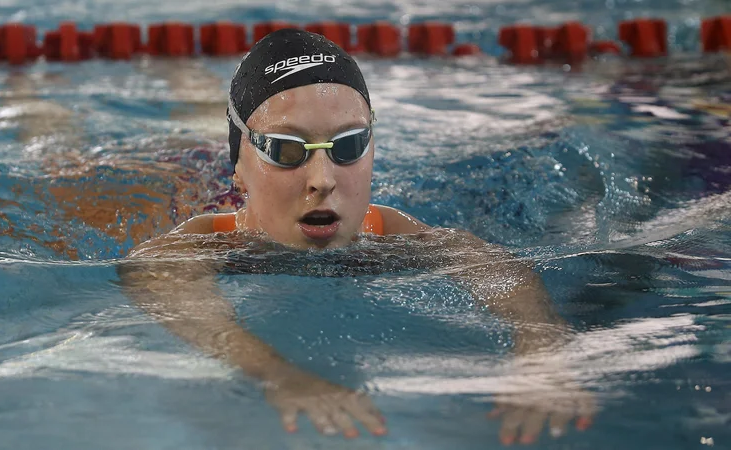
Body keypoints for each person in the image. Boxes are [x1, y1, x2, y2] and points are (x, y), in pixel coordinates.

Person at [120, 28, 595, 445]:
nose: (323, 179)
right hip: (189, 181)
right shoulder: (214, 237)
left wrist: (540, 355)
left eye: (348, 146)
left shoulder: (383, 229)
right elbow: (158, 278)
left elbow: (488, 264)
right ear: (241, 164)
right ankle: (133, 85)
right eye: (286, 150)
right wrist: (277, 374)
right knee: (186, 131)